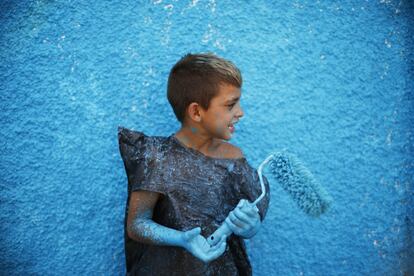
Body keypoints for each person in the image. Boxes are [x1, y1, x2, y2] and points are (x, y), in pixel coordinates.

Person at [118, 52, 270, 275]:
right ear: (196, 111)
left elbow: (247, 219)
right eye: (230, 105)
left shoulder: (234, 158)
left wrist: (250, 226)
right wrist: (180, 239)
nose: (240, 113)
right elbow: (137, 224)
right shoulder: (158, 157)